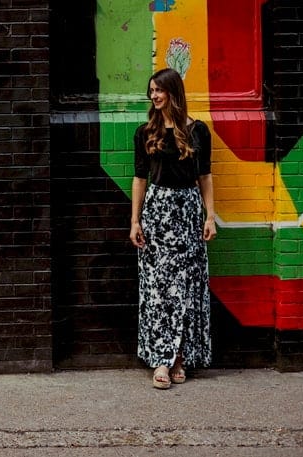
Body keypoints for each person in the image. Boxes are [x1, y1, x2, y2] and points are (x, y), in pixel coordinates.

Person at [129, 68, 216, 389]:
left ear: (172, 92)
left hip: (189, 212)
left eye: (158, 90)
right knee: (159, 288)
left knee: (186, 286)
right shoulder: (145, 132)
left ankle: (180, 356)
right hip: (158, 214)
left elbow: (204, 175)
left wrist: (210, 216)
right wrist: (135, 220)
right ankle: (162, 360)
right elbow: (140, 178)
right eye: (151, 91)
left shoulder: (198, 132)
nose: (153, 95)